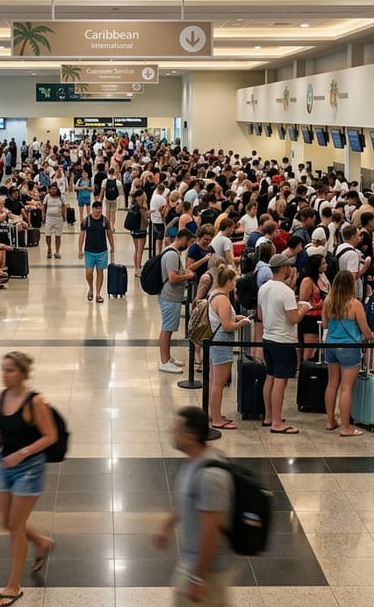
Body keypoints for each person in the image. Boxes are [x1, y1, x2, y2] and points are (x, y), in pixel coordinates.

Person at [0, 351, 57, 607]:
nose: (4, 374)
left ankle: (14, 585)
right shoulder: (2, 397)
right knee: (7, 522)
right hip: (5, 465)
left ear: (22, 373)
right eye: (3, 369)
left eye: (10, 370)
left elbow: (50, 436)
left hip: (29, 469)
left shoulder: (35, 402)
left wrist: (22, 454)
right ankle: (42, 542)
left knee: (15, 526)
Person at [153, 406, 236, 606]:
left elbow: (211, 532)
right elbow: (187, 500)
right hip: (194, 564)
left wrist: (198, 578)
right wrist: (166, 526)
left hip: (208, 571)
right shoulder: (193, 462)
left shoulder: (210, 476)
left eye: (176, 429)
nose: (171, 432)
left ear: (190, 436)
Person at [258, 254, 311, 434]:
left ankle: (268, 416)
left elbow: (260, 314)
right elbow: (294, 318)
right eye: (289, 267)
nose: (290, 270)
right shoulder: (286, 292)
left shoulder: (264, 288)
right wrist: (303, 308)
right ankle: (277, 422)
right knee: (280, 381)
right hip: (283, 340)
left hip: (268, 337)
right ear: (283, 268)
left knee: (270, 377)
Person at [322, 269, 374, 436]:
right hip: (349, 348)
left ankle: (330, 420)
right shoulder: (354, 304)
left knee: (332, 384)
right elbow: (365, 330)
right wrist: (370, 335)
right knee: (346, 388)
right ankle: (346, 427)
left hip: (330, 345)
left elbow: (324, 325)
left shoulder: (328, 301)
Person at [206, 266, 251, 429]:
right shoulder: (223, 299)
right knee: (219, 382)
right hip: (222, 342)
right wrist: (241, 323)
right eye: (234, 281)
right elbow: (227, 326)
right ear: (228, 282)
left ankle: (214, 413)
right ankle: (217, 419)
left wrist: (236, 317)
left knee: (214, 381)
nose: (235, 284)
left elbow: (222, 318)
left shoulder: (214, 294)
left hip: (214, 341)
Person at [158, 228, 196, 373]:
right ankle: (164, 361)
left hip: (170, 296)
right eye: (188, 241)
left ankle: (167, 357)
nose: (187, 245)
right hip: (170, 296)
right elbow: (172, 278)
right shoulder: (172, 255)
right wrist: (188, 276)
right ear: (181, 238)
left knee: (169, 329)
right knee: (167, 329)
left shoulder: (170, 251)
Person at [78, 200, 116, 303]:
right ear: (93, 209)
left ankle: (98, 294)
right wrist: (80, 250)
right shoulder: (86, 221)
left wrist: (112, 246)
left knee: (100, 272)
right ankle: (90, 288)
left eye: (100, 209)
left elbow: (109, 234)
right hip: (89, 251)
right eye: (97, 209)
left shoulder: (105, 221)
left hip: (102, 251)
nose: (98, 211)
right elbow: (82, 235)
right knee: (89, 272)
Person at [42, 182, 67, 259]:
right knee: (48, 234)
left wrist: (64, 215)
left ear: (57, 189)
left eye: (54, 189)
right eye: (52, 189)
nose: (53, 190)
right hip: (49, 218)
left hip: (58, 218)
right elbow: (44, 207)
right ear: (49, 189)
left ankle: (57, 252)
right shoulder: (47, 197)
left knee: (58, 235)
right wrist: (43, 216)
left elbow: (64, 206)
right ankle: (49, 248)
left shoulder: (61, 197)